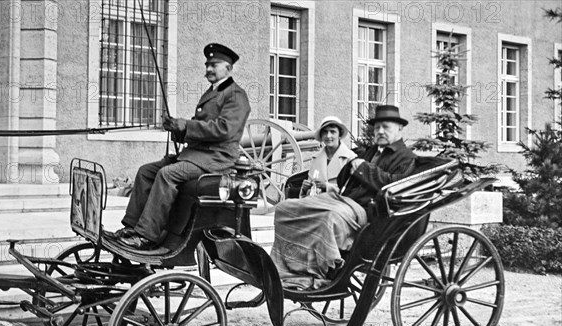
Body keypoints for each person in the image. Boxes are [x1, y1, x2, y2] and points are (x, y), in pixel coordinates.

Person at [107, 43, 251, 249]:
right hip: (197, 155)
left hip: (217, 159)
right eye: (207, 64)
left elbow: (224, 130)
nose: (208, 69)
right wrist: (177, 129)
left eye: (214, 65)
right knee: (146, 171)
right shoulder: (213, 92)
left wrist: (187, 125)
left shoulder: (236, 95)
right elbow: (199, 129)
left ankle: (146, 235)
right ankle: (131, 226)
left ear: (228, 68)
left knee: (168, 174)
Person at [270, 105, 417, 289]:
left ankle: (326, 270)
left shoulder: (406, 158)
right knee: (286, 208)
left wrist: (363, 169)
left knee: (328, 219)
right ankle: (286, 269)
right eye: (377, 127)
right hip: (343, 199)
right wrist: (351, 168)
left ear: (399, 129)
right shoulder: (372, 151)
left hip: (366, 210)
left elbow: (395, 187)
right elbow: (345, 177)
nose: (380, 131)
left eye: (385, 127)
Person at [299, 116, 357, 197]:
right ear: (321, 136)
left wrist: (327, 186)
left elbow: (353, 190)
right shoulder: (316, 158)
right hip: (317, 204)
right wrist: (305, 189)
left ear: (339, 135)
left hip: (340, 205)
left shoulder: (351, 158)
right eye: (325, 132)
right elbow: (310, 193)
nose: (328, 136)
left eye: (332, 132)